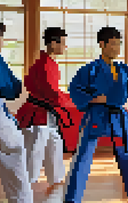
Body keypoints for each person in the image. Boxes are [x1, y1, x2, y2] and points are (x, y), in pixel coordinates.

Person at [60, 27, 128, 203]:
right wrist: (94, 99)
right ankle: (71, 200)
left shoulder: (124, 69)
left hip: (119, 115)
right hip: (96, 114)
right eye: (113, 44)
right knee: (83, 155)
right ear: (102, 44)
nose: (116, 48)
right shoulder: (89, 70)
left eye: (118, 44)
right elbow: (75, 90)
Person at [16, 27, 81, 188]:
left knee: (55, 145)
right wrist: (74, 99)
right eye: (63, 43)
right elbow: (51, 92)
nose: (65, 47)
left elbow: (51, 92)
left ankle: (56, 179)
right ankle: (27, 184)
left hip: (46, 113)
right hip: (37, 114)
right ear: (53, 43)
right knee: (35, 151)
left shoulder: (47, 63)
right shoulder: (44, 64)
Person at [0, 18, 39, 203]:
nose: (1, 42)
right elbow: (7, 86)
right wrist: (18, 88)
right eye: (1, 37)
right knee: (14, 150)